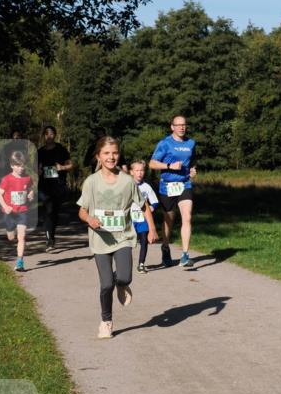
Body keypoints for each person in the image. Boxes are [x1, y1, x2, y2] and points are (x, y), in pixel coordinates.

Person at [78, 136, 158, 339]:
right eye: (106, 153)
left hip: (123, 237)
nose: (111, 157)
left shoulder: (128, 181)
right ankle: (106, 322)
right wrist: (90, 219)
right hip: (100, 239)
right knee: (106, 284)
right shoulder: (91, 182)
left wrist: (152, 228)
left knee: (125, 277)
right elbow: (82, 211)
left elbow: (143, 205)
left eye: (114, 153)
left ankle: (121, 284)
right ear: (98, 156)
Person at [149, 115, 197, 269]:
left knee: (187, 216)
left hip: (185, 184)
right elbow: (152, 163)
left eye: (184, 124)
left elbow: (192, 161)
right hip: (167, 186)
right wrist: (169, 166)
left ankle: (185, 255)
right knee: (168, 219)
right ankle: (165, 246)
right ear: (172, 127)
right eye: (178, 125)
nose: (182, 127)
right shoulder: (165, 143)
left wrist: (193, 170)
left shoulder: (191, 143)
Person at [0, 150, 35, 272]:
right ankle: (9, 229)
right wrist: (5, 206)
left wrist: (31, 194)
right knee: (11, 237)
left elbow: (30, 189)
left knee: (21, 237)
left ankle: (20, 262)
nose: (20, 168)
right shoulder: (6, 179)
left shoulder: (27, 178)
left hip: (22, 211)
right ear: (12, 165)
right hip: (9, 213)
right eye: (18, 166)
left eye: (22, 165)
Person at [37, 125, 73, 251]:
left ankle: (51, 235)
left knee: (54, 212)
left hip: (58, 185)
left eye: (51, 134)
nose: (49, 136)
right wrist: (38, 171)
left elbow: (71, 165)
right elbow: (34, 168)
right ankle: (49, 240)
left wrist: (62, 168)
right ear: (44, 136)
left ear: (55, 135)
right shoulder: (40, 152)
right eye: (46, 134)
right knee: (49, 209)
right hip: (44, 186)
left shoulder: (61, 149)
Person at [129, 159, 159, 274]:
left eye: (142, 170)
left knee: (144, 240)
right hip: (130, 219)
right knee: (128, 243)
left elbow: (154, 201)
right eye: (137, 170)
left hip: (142, 219)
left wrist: (152, 207)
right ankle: (125, 263)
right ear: (131, 172)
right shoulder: (127, 185)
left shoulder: (146, 187)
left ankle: (141, 263)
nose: (139, 173)